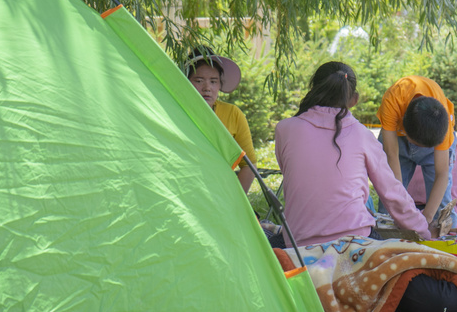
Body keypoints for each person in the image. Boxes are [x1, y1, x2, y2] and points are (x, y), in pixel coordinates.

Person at [274, 62, 432, 246]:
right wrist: (423, 230)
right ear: (354, 99)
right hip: (355, 242)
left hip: (297, 243)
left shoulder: (285, 129)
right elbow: (392, 193)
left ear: (314, 90)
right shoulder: (362, 135)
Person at [376, 76, 457, 229]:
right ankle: (386, 242)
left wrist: (427, 216)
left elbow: (442, 173)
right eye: (416, 145)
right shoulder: (393, 100)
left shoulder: (442, 125)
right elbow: (391, 155)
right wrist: (400, 203)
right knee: (388, 209)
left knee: (442, 213)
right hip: (396, 141)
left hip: (427, 134)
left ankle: (443, 242)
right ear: (405, 130)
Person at [183, 46, 256, 193]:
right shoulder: (176, 111)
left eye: (213, 81)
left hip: (221, 194)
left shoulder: (233, 114)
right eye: (199, 80)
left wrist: (234, 201)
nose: (207, 88)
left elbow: (249, 164)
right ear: (186, 81)